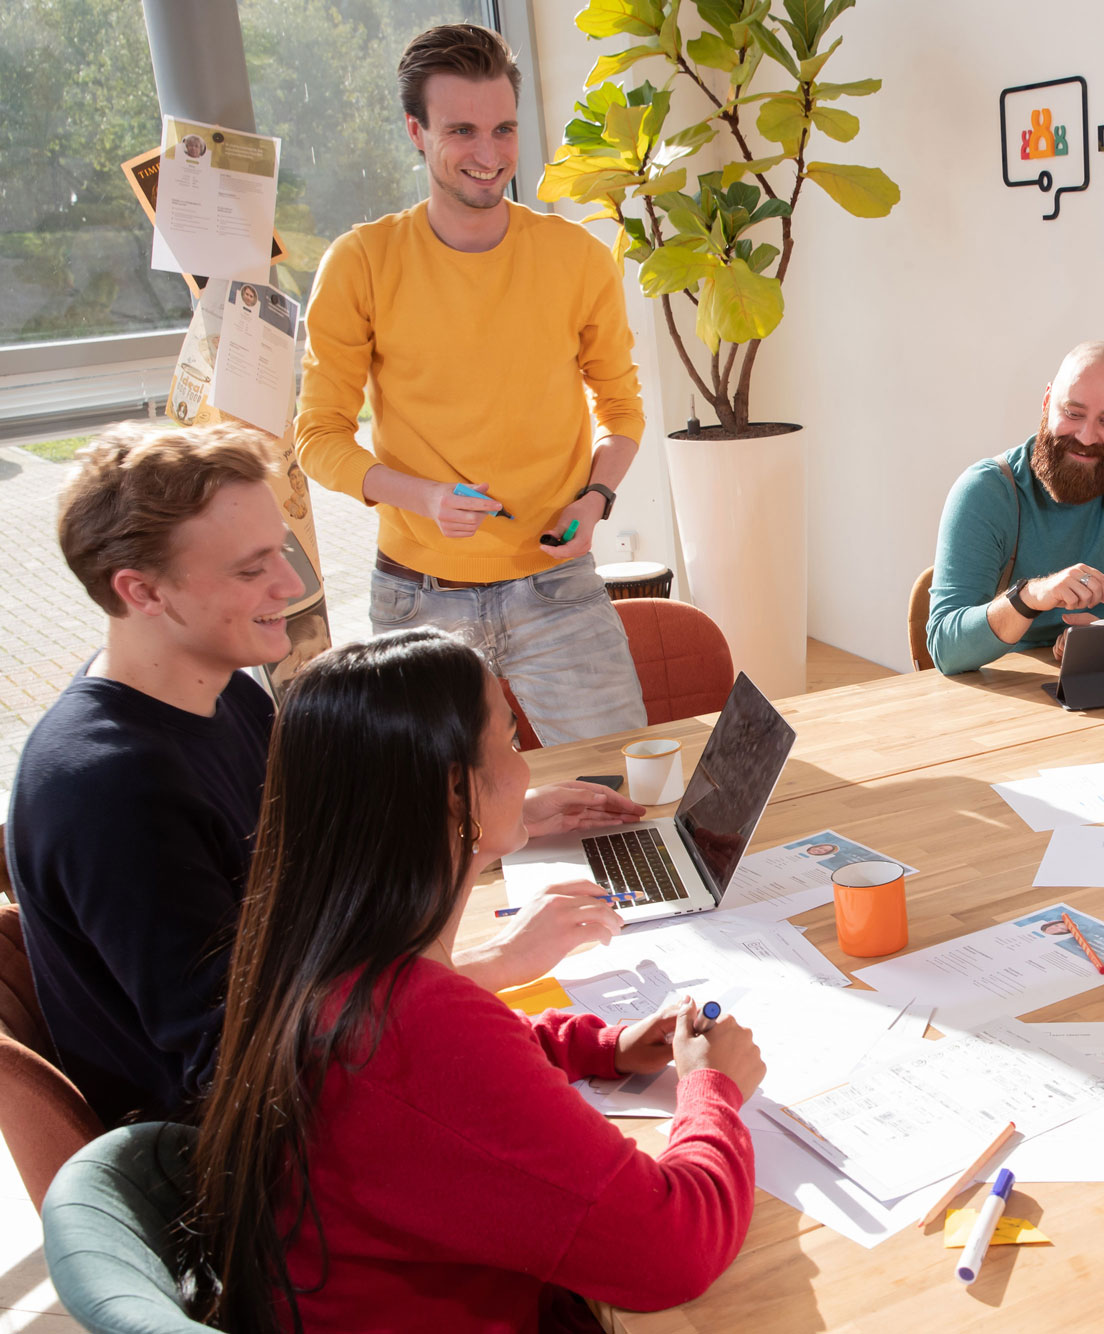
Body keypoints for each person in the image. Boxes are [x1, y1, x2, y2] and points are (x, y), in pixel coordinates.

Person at [7, 421, 640, 1128]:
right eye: (252, 570)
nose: (292, 583)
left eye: (281, 550)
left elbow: (313, 871)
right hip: (247, 1151)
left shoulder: (223, 692)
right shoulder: (110, 793)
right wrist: (488, 969)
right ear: (143, 592)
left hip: (324, 1054)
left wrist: (489, 813)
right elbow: (240, 1061)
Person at [185, 629, 764, 1331]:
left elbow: (442, 1099)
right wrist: (714, 1089)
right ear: (456, 793)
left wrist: (599, 1047)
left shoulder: (312, 950)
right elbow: (673, 1254)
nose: (525, 771)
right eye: (511, 742)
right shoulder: (416, 1023)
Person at [294, 23, 648, 746]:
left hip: (558, 586)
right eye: (460, 130)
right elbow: (318, 438)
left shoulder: (576, 258)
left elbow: (622, 410)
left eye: (504, 128)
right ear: (415, 131)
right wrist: (422, 497)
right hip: (417, 600)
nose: (488, 155)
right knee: (431, 832)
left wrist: (596, 496)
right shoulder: (360, 262)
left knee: (620, 796)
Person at [926, 341, 1104, 675]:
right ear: (1047, 401)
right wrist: (1032, 595)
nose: (1086, 436)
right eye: (1073, 414)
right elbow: (946, 649)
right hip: (1007, 691)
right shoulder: (987, 491)